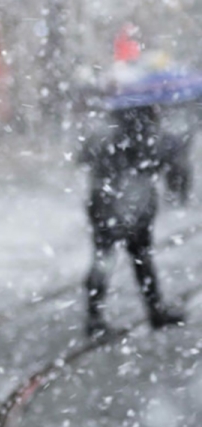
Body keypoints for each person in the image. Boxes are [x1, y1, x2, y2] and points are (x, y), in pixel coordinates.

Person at [80, 104, 185, 337]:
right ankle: (154, 310)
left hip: (103, 204)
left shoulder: (102, 137)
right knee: (141, 259)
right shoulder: (153, 139)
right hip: (137, 207)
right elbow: (173, 169)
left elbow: (83, 158)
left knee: (103, 258)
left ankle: (94, 317)